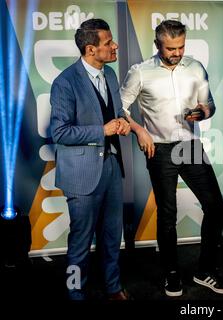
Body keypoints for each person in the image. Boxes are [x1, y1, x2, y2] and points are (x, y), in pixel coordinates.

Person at [120, 20, 223, 297]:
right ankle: (171, 273)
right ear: (158, 45)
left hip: (190, 146)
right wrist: (138, 130)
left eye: (181, 46)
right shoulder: (140, 72)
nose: (177, 52)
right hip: (159, 150)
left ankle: (205, 270)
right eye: (171, 48)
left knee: (216, 208)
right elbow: (119, 108)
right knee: (167, 215)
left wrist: (203, 112)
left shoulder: (195, 67)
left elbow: (211, 105)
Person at [50, 18, 131, 300]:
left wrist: (122, 122)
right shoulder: (65, 82)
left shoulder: (109, 75)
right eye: (108, 43)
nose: (114, 45)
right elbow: (59, 132)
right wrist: (102, 130)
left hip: (110, 166)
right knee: (80, 241)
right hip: (81, 174)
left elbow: (116, 111)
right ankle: (75, 292)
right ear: (90, 49)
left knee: (112, 237)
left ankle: (113, 287)